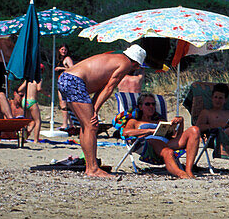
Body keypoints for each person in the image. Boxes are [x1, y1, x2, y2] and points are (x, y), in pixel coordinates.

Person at [58, 38, 168, 178]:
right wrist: (95, 110)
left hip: (66, 79)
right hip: (75, 81)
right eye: (137, 66)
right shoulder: (125, 63)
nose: (135, 69)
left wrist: (93, 108)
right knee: (91, 126)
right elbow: (109, 88)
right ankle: (92, 169)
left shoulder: (114, 58)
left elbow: (102, 88)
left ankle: (90, 166)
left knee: (86, 126)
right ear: (136, 63)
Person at [122, 92, 202, 179]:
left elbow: (176, 137)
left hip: (167, 143)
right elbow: (125, 133)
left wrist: (181, 122)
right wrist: (149, 131)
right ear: (140, 107)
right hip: (149, 145)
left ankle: (189, 171)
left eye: (153, 104)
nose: (151, 106)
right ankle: (180, 173)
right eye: (147, 104)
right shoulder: (135, 121)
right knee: (167, 151)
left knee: (195, 130)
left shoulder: (160, 121)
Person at [54, 44, 76, 129]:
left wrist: (61, 68)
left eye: (65, 50)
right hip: (61, 82)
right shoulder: (60, 60)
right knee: (63, 103)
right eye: (62, 49)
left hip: (66, 83)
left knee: (64, 103)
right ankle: (68, 124)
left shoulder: (67, 59)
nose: (63, 51)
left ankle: (66, 124)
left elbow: (73, 69)